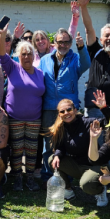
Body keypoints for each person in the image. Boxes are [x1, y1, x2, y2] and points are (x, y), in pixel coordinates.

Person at [0, 25, 45, 191]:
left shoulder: (40, 73)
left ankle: (29, 178)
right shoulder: (12, 68)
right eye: (23, 54)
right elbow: (2, 53)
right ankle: (17, 178)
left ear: (34, 55)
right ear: (18, 56)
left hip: (34, 119)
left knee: (31, 150)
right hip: (14, 117)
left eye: (29, 53)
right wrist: (2, 36)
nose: (26, 56)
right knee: (16, 149)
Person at [39, 26, 90, 181]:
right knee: (49, 143)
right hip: (49, 107)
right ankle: (48, 176)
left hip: (69, 108)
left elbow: (86, 63)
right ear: (54, 43)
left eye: (67, 42)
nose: (63, 45)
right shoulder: (45, 60)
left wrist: (82, 48)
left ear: (71, 43)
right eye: (60, 42)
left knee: (70, 142)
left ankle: (68, 177)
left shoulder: (75, 59)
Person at [48, 92, 110, 205]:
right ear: (59, 115)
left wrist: (104, 108)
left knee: (86, 185)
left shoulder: (88, 123)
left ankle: (100, 190)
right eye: (62, 111)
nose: (66, 113)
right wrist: (57, 155)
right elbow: (60, 147)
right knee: (52, 159)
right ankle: (68, 190)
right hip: (77, 165)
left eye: (69, 109)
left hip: (95, 165)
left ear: (75, 110)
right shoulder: (61, 128)